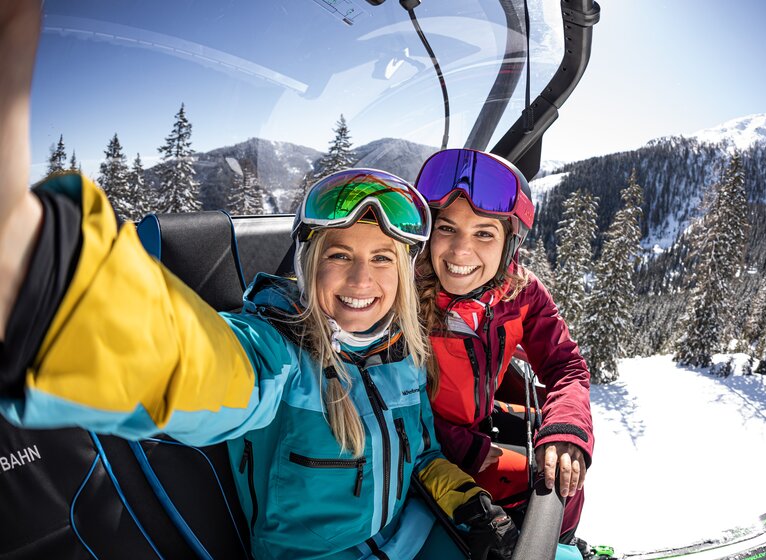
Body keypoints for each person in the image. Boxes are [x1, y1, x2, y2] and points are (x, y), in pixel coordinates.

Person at [0, 4, 518, 559]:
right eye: (340, 255)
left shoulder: (404, 352)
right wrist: (47, 287)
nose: (362, 279)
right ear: (308, 265)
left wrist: (464, 499)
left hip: (415, 537)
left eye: (384, 259)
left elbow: (419, 455)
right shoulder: (282, 357)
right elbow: (192, 365)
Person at [414, 148, 594, 547]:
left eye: (483, 233)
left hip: (478, 420)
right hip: (430, 449)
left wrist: (565, 430)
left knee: (564, 470)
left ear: (509, 243)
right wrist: (468, 447)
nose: (461, 252)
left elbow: (565, 365)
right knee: (542, 483)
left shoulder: (521, 293)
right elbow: (383, 399)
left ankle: (559, 546)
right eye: (446, 229)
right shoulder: (401, 296)